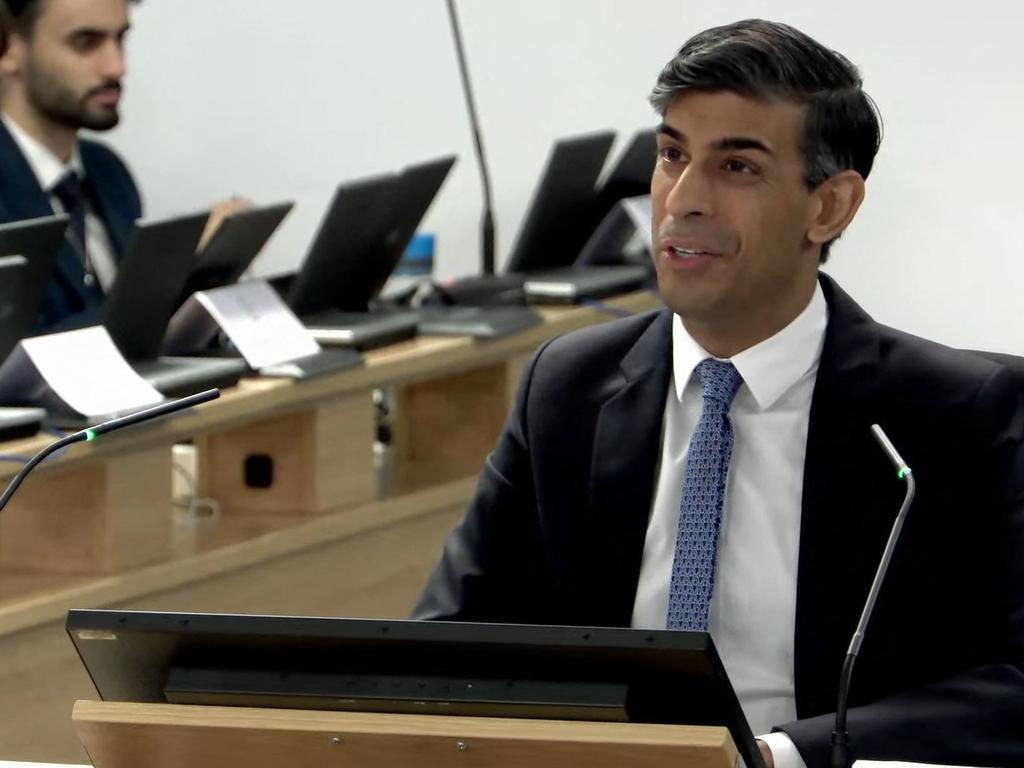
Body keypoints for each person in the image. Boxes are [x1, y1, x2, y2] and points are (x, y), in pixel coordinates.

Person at [413, 19, 1024, 768]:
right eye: (673, 155)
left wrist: (771, 758)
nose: (682, 201)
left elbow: (1013, 682)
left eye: (736, 167)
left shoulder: (960, 414)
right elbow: (449, 644)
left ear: (828, 206)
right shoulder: (567, 388)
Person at [0, 0, 245, 332]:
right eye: (85, 43)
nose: (116, 67)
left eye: (120, 39)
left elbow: (137, 339)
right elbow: (21, 360)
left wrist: (213, 266)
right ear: (10, 49)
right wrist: (175, 266)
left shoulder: (108, 171)